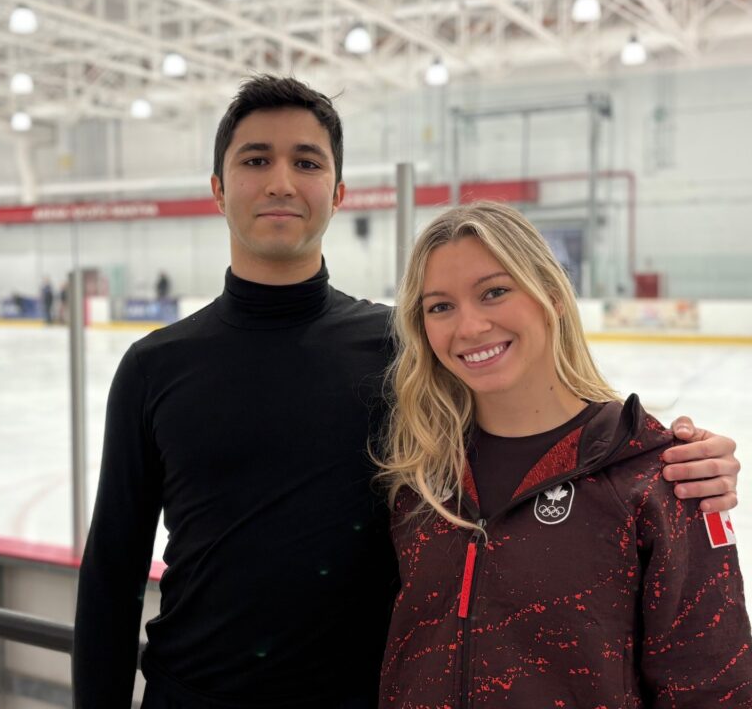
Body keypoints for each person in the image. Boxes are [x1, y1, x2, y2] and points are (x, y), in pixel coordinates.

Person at [73, 76, 740, 708]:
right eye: (256, 160)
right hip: (193, 697)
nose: (281, 181)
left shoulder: (404, 354)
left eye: (307, 162)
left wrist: (669, 456)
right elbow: (112, 575)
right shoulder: (153, 368)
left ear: (338, 194)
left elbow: (532, 422)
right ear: (218, 189)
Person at [378, 201, 752, 707]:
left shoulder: (657, 478)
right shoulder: (419, 479)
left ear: (551, 296)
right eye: (440, 306)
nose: (468, 327)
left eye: (494, 292)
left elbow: (712, 688)